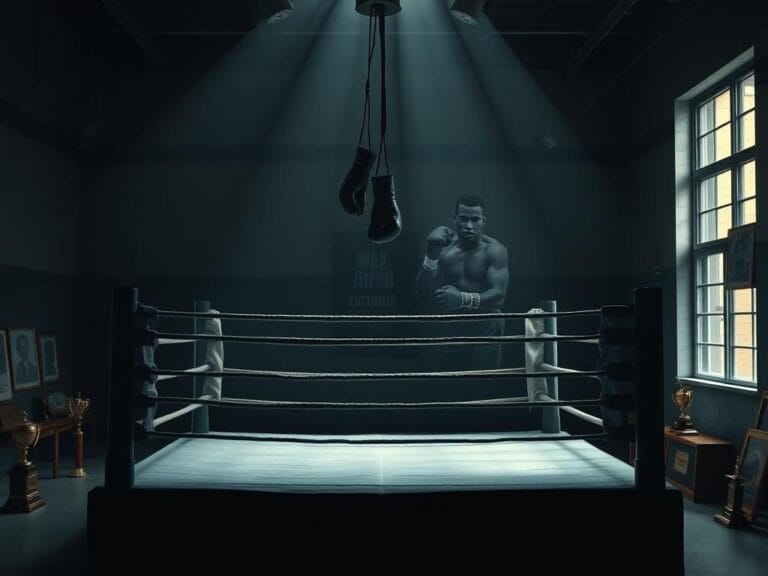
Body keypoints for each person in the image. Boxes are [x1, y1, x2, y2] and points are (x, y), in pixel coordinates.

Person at [416, 194, 509, 370]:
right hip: (448, 323)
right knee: (439, 383)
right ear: (454, 219)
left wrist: (462, 298)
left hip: (484, 322)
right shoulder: (443, 248)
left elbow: (498, 297)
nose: (469, 226)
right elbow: (422, 291)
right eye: (463, 219)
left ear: (483, 221)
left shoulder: (495, 250)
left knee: (482, 384)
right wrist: (430, 255)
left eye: (475, 220)